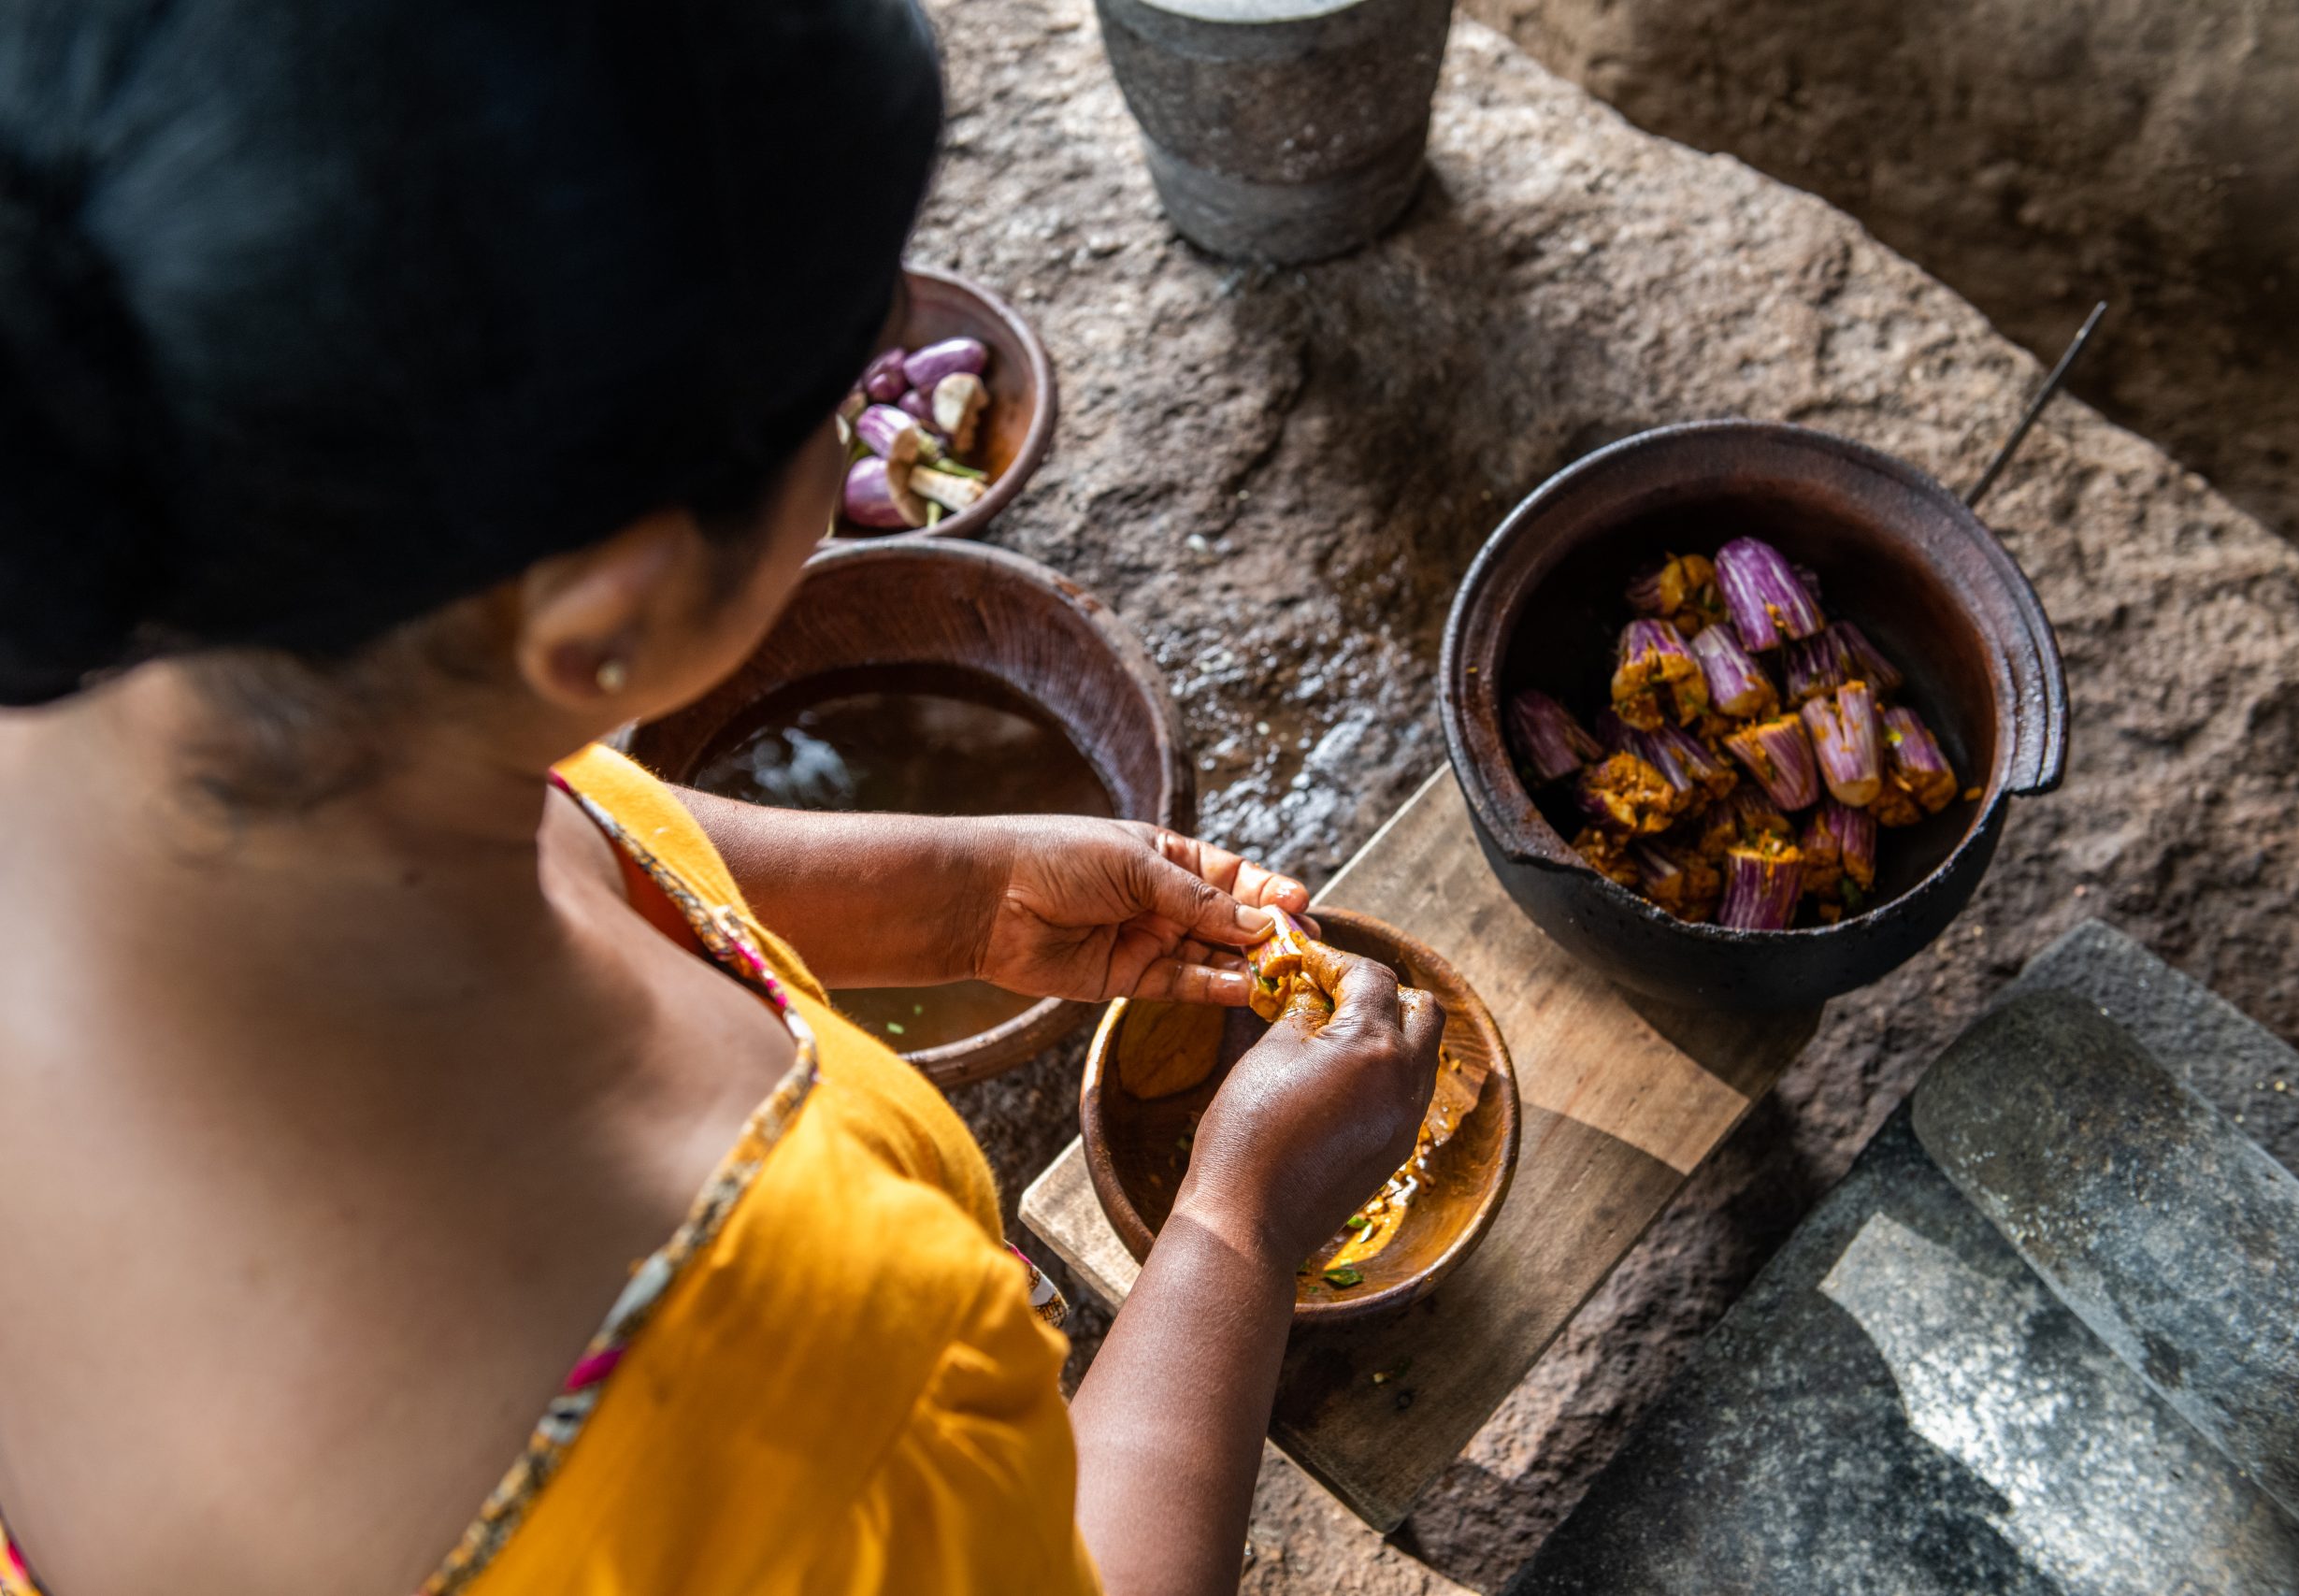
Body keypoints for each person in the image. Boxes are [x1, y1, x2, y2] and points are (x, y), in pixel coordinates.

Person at [0, 1, 1445, 1593]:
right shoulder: (804, 1353)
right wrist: (1239, 1230)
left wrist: (962, 899)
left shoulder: (160, 631)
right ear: (607, 617)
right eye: (844, 391)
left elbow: (562, 822)